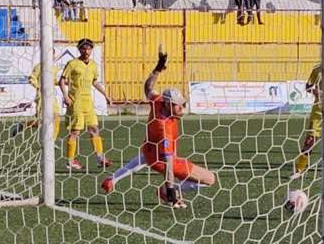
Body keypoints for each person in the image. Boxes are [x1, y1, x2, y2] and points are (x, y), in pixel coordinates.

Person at [115, 46, 216, 208]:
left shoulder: (159, 102)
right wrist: (170, 190)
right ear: (169, 105)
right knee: (210, 179)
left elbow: (147, 88)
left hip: (150, 153)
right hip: (162, 161)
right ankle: (165, 191)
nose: (182, 109)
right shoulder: (164, 128)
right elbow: (168, 164)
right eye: (178, 106)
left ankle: (168, 189)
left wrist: (158, 68)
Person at [59, 38, 112, 170]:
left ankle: (100, 158)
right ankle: (70, 161)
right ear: (79, 49)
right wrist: (65, 96)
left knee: (94, 129)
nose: (86, 51)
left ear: (91, 50)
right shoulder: (72, 63)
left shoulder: (93, 65)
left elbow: (94, 82)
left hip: (88, 102)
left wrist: (106, 95)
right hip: (75, 102)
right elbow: (62, 80)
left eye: (88, 48)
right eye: (83, 48)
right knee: (75, 131)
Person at [11, 50, 61, 141]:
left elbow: (53, 81)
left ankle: (52, 141)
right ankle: (24, 124)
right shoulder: (39, 66)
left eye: (52, 55)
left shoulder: (54, 68)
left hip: (51, 96)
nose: (51, 57)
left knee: (56, 117)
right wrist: (39, 87)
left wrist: (60, 82)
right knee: (43, 121)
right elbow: (31, 79)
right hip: (41, 96)